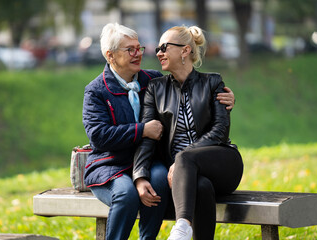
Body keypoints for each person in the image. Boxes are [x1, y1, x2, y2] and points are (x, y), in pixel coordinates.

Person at [83, 23, 235, 240]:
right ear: (110, 55)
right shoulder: (96, 91)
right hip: (112, 163)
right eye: (130, 50)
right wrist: (141, 131)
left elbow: (189, 86)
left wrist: (226, 99)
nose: (138, 54)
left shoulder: (150, 80)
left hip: (149, 161)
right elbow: (98, 136)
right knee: (126, 195)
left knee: (161, 180)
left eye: (139, 48)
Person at [133, 25, 243, 240]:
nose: (158, 53)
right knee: (201, 187)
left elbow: (219, 132)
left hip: (221, 163)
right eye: (157, 48)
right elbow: (148, 136)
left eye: (164, 47)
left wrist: (182, 159)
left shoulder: (213, 82)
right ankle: (185, 231)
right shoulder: (155, 89)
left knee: (185, 158)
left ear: (185, 51)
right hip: (185, 176)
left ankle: (182, 226)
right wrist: (140, 175)